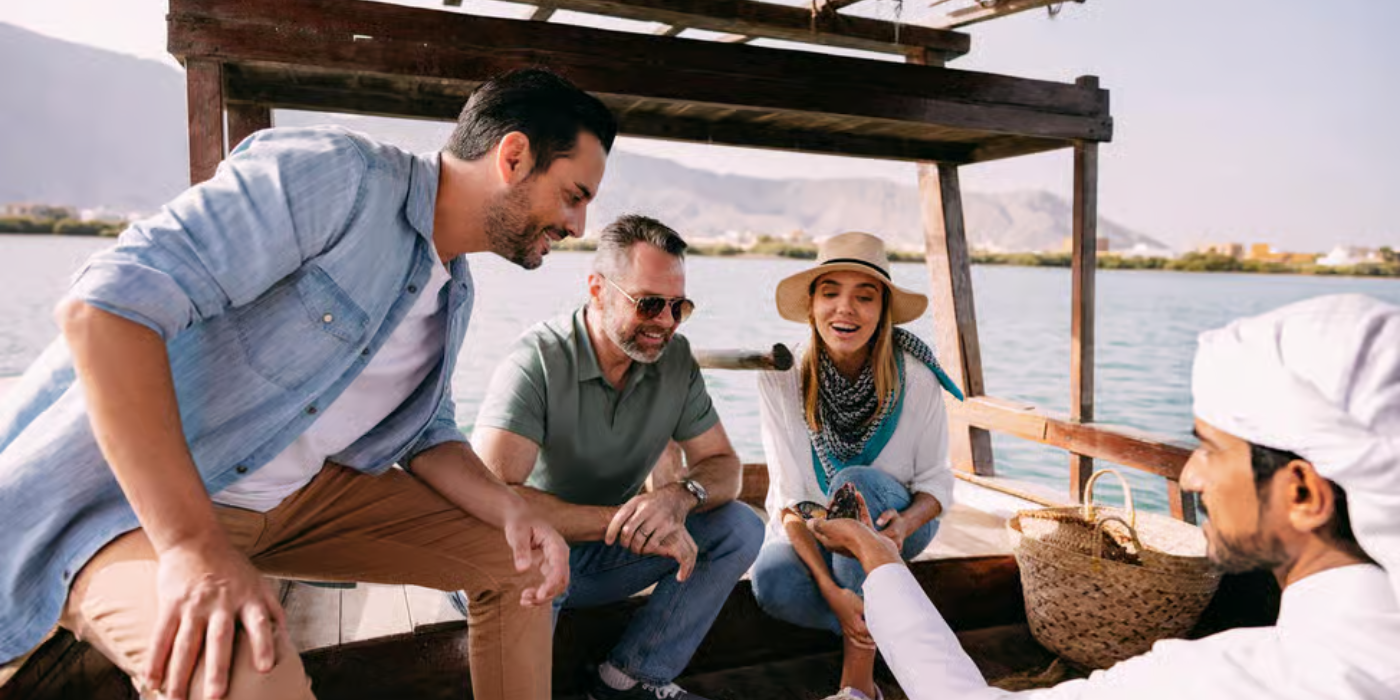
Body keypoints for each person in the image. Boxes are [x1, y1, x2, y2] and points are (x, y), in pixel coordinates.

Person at [0, 68, 617, 700]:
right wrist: (192, 547)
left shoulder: (453, 290)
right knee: (248, 673)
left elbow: (427, 433)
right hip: (129, 511)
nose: (578, 225)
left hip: (296, 501)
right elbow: (105, 310)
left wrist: (513, 510)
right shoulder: (340, 177)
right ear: (513, 157)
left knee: (523, 566)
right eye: (574, 195)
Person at [808, 293, 1400, 699]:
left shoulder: (1222, 679)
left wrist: (876, 554)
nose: (1192, 477)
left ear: (1303, 494)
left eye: (1213, 450)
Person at [465, 214, 764, 700]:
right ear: (598, 290)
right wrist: (630, 522)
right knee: (529, 558)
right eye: (649, 303)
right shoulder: (536, 361)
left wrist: (678, 497)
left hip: (597, 558)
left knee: (740, 527)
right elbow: (493, 503)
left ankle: (629, 681)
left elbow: (724, 465)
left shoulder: (676, 360)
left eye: (678, 306)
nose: (665, 321)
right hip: (510, 561)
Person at [750, 231, 964, 700]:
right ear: (812, 306)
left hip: (897, 519)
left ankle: (858, 684)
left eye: (864, 297)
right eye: (830, 293)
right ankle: (882, 630)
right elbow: (789, 500)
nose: (845, 309)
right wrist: (833, 592)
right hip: (813, 523)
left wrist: (903, 525)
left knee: (853, 486)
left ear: (882, 311)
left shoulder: (917, 375)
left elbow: (935, 485)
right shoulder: (780, 376)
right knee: (772, 580)